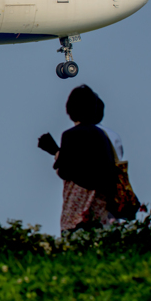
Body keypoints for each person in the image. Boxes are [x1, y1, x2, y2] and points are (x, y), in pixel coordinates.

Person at [38, 85, 117, 231]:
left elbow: (65, 171)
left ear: (70, 109)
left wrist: (57, 154)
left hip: (77, 206)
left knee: (75, 239)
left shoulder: (70, 135)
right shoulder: (102, 136)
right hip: (99, 205)